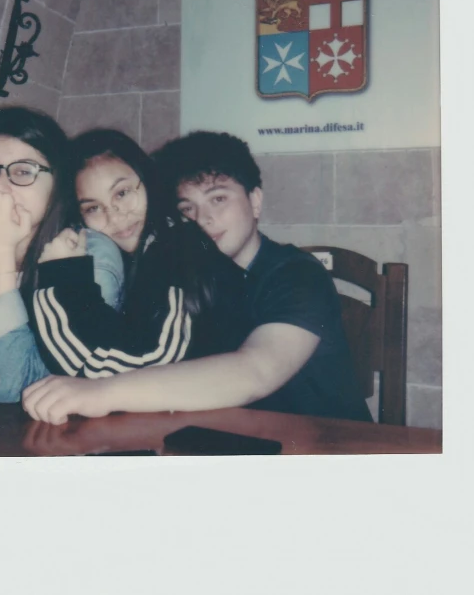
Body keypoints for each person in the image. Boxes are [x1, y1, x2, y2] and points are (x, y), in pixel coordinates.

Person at [21, 130, 371, 425]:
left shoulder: (297, 274)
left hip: (330, 452)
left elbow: (256, 371)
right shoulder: (181, 268)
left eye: (218, 198)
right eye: (186, 208)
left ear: (255, 201)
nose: (202, 218)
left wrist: (103, 393)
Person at [0, 106, 124, 402]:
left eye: (23, 171)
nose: (0, 187)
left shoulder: (89, 254)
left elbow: (21, 386)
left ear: (59, 184)